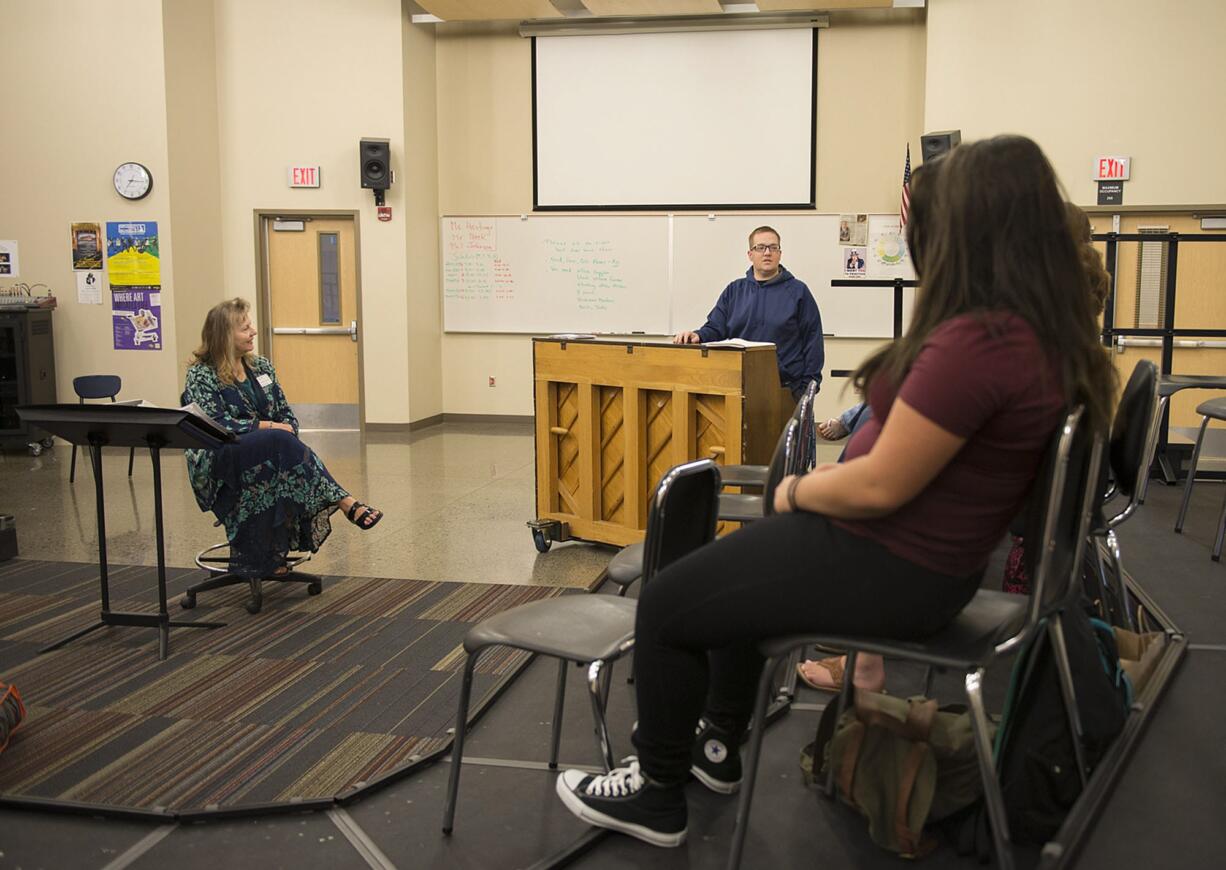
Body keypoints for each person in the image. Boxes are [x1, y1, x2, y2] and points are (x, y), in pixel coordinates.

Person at [554, 135, 1117, 848]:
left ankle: (657, 790)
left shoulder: (982, 340)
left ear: (975, 229)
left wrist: (794, 495)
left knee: (666, 600)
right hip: (924, 565)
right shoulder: (1038, 335)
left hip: (890, 563)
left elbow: (881, 485)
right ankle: (719, 748)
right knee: (739, 585)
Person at [800, 200, 1115, 690]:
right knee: (872, 459)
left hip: (961, 539)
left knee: (876, 499)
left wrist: (799, 493)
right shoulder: (1060, 343)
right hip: (1000, 522)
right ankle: (857, 640)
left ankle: (863, 656)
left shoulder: (1020, 347)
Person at [183, 298, 382, 580]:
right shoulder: (202, 375)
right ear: (224, 335)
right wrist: (267, 426)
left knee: (280, 446)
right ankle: (344, 501)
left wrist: (279, 427)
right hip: (219, 453)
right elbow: (215, 422)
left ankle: (270, 556)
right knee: (277, 440)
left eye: (251, 326)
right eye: (244, 328)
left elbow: (287, 415)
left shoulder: (262, 368)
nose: (252, 332)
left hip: (266, 450)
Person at [673, 226, 824, 401]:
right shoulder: (734, 291)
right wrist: (697, 336)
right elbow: (716, 328)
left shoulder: (798, 292)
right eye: (760, 248)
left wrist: (808, 388)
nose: (767, 253)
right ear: (750, 254)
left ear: (780, 254)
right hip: (738, 387)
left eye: (773, 248)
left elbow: (813, 341)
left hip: (786, 389)